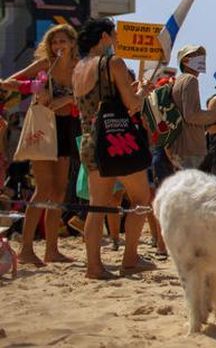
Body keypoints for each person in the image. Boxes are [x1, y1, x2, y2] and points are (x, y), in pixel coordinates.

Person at [71, 18, 155, 280]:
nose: (117, 40)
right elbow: (131, 105)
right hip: (117, 139)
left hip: (89, 139)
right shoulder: (113, 63)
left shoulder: (78, 68)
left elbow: (97, 101)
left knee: (97, 206)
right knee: (141, 200)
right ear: (104, 37)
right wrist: (141, 93)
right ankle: (130, 258)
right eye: (114, 35)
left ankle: (93, 267)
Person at [1, 24, 79, 267]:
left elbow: (87, 96)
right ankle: (26, 249)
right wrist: (36, 89)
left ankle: (52, 249)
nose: (58, 47)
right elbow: (11, 81)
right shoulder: (45, 64)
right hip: (44, 126)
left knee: (59, 190)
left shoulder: (79, 68)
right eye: (54, 42)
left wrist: (68, 98)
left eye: (62, 42)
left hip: (66, 127)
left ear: (72, 44)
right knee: (43, 189)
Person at [167, 45, 216, 171]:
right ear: (185, 61)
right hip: (190, 149)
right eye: (195, 55)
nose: (201, 58)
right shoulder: (190, 80)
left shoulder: (179, 81)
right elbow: (192, 115)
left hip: (181, 148)